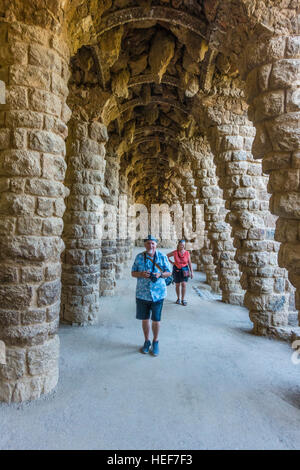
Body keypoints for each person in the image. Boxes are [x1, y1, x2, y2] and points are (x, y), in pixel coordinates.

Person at [131, 235, 172, 356]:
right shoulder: (139, 257)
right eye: (148, 243)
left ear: (156, 245)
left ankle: (155, 341)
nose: (151, 246)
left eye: (153, 243)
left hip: (158, 293)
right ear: (145, 245)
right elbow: (133, 273)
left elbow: (169, 272)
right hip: (142, 293)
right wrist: (141, 274)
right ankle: (146, 341)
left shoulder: (162, 257)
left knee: (156, 320)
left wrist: (159, 274)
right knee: (145, 319)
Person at [167, 240, 193, 306]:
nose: (182, 246)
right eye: (181, 245)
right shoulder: (175, 252)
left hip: (185, 270)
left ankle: (183, 299)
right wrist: (172, 262)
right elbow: (166, 256)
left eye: (183, 245)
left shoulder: (187, 253)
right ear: (178, 245)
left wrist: (191, 272)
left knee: (184, 284)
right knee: (177, 285)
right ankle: (178, 298)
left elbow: (189, 263)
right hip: (176, 269)